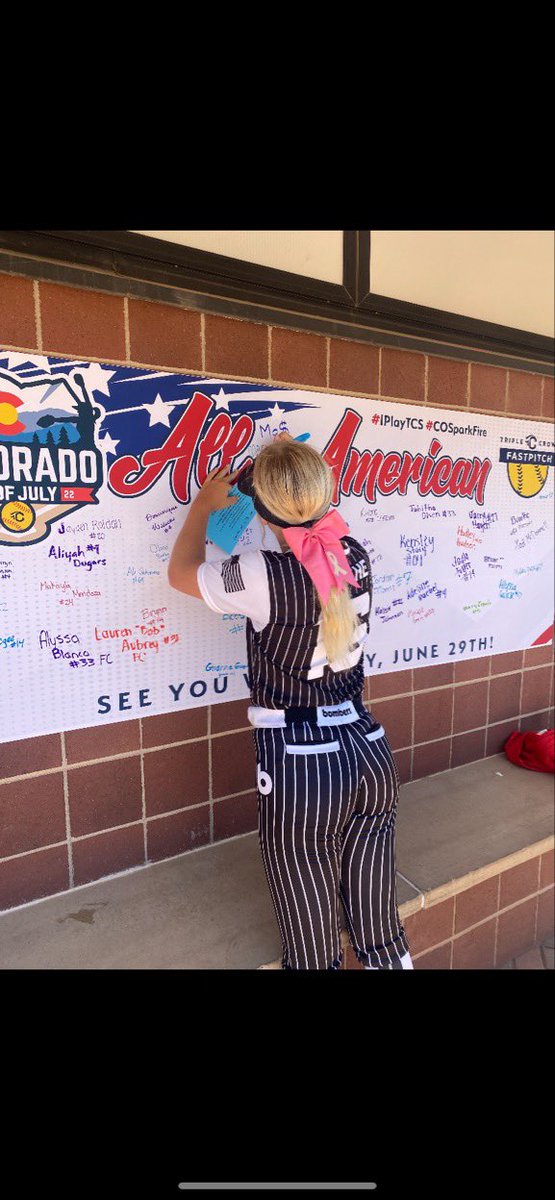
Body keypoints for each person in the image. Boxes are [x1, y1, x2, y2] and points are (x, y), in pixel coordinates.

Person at [168, 433, 413, 971]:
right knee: (378, 927)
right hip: (367, 749)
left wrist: (202, 511)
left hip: (303, 763)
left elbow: (180, 574)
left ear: (259, 506)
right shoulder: (354, 552)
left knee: (310, 931)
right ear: (327, 497)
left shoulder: (262, 572)